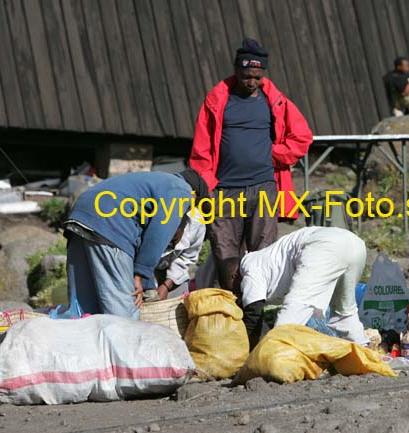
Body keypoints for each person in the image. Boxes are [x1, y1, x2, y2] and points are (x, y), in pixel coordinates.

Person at [189, 37, 312, 283]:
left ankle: (255, 316)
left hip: (263, 188)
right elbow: (201, 149)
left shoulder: (274, 101)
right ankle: (232, 311)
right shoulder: (217, 101)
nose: (252, 82)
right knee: (225, 253)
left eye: (257, 76)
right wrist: (207, 187)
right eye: (247, 75)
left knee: (263, 255)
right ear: (236, 70)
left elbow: (302, 137)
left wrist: (272, 152)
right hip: (224, 190)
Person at [64, 169, 208, 319]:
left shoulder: (156, 181)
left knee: (84, 312)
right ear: (194, 195)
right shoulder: (181, 189)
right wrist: (140, 275)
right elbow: (158, 232)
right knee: (123, 316)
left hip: (80, 216)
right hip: (110, 224)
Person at [218, 227, 369, 349]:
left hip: (324, 245)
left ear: (233, 276)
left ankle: (277, 356)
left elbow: (254, 313)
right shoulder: (264, 259)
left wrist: (236, 348)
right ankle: (364, 349)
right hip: (355, 244)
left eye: (234, 290)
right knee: (344, 310)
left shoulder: (249, 267)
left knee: (295, 307)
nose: (237, 294)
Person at [152, 209, 206, 300]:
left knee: (178, 305)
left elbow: (185, 258)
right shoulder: (149, 216)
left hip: (174, 269)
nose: (170, 244)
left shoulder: (196, 224)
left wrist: (167, 285)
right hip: (145, 266)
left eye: (174, 239)